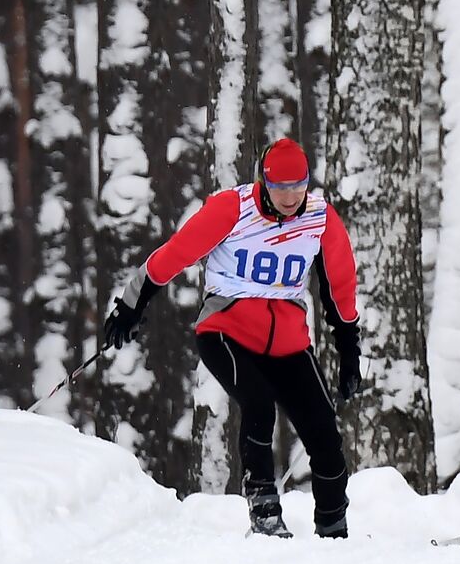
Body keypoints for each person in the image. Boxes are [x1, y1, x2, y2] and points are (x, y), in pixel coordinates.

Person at [103, 138, 363, 539]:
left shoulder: (320, 219)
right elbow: (177, 253)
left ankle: (333, 528)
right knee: (258, 406)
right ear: (264, 183)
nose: (292, 196)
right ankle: (264, 511)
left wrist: (349, 350)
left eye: (300, 186)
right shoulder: (233, 208)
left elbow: (340, 286)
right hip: (226, 330)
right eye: (281, 188)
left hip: (288, 343)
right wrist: (131, 304)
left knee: (324, 431)